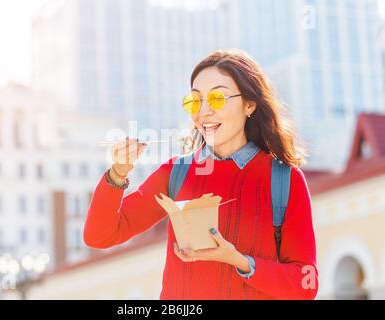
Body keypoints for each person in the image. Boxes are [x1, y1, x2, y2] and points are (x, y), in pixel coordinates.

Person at [84, 49, 318, 300]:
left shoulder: (284, 179)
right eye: (195, 101)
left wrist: (239, 261)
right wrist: (118, 173)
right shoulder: (177, 172)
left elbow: (305, 285)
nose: (203, 111)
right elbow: (100, 235)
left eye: (217, 98)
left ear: (249, 104)